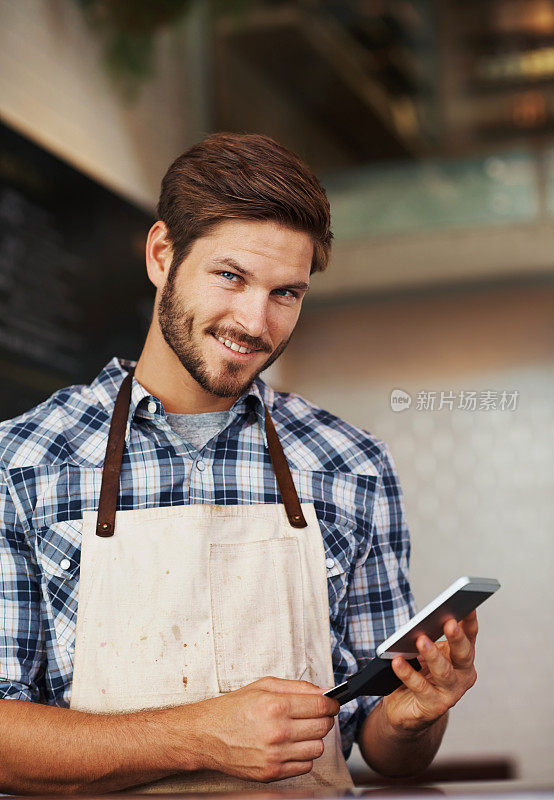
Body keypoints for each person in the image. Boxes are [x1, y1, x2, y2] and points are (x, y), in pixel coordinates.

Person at [0, 133, 478, 795]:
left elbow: (386, 748)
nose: (255, 322)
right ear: (162, 254)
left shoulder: (353, 466)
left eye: (286, 293)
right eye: (231, 276)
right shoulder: (22, 462)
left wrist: (414, 717)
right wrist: (198, 734)